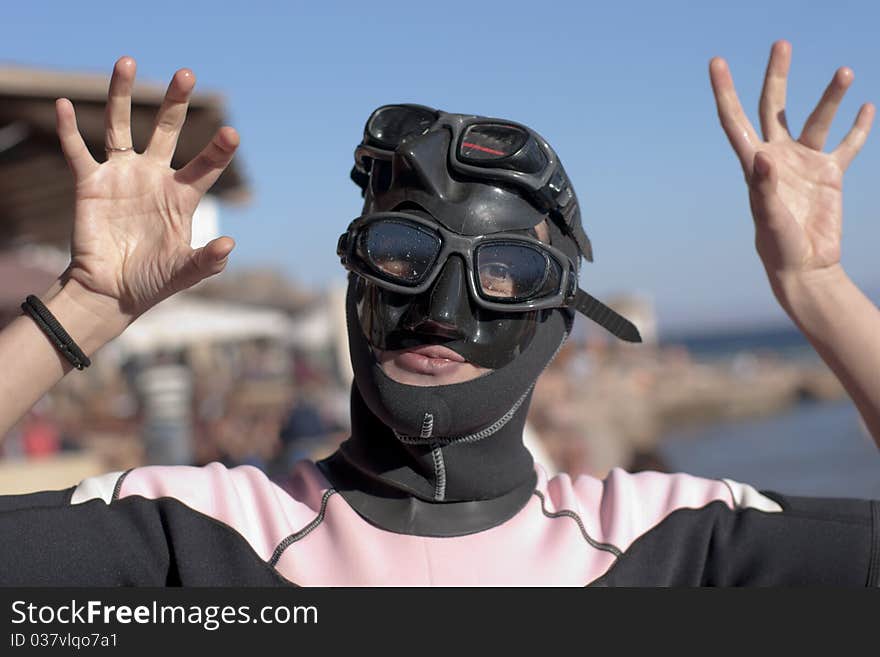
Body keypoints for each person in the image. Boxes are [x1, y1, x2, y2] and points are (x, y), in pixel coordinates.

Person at [0, 41, 878, 585]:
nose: (442, 312)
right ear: (357, 280)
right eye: (404, 256)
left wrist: (819, 289)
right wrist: (82, 306)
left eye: (507, 271)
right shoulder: (200, 536)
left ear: (557, 316)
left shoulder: (675, 546)